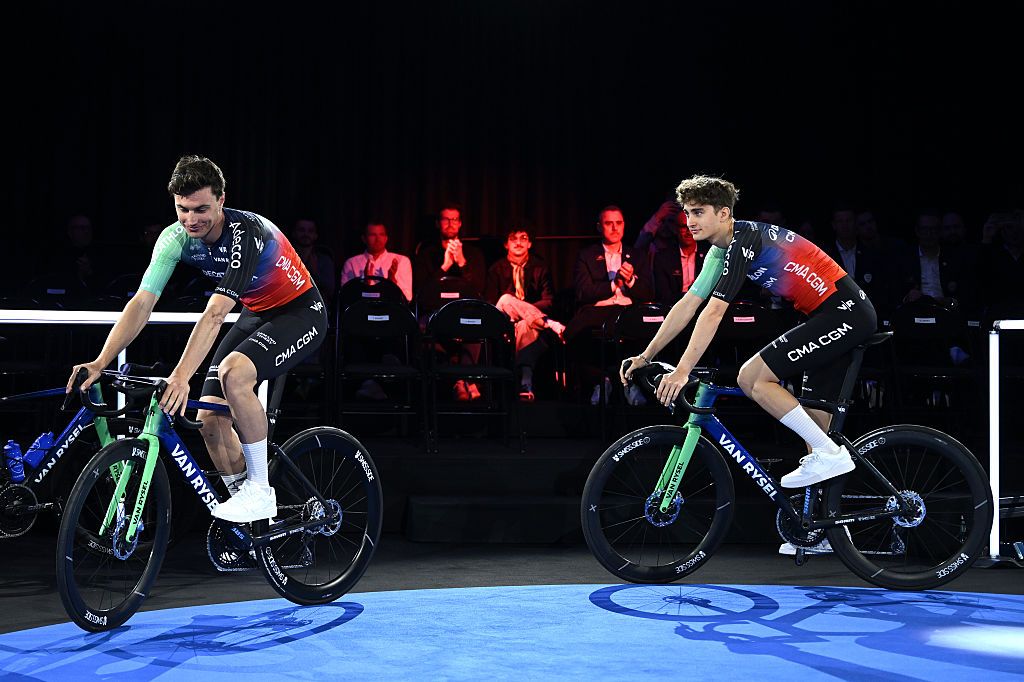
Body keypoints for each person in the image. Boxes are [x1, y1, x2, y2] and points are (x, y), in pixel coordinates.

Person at [66, 155, 328, 524]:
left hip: (300, 311)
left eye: (201, 209)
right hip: (257, 312)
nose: (191, 220)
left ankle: (260, 490)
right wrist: (100, 361)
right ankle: (252, 527)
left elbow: (216, 314)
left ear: (221, 200)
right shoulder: (174, 238)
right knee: (209, 421)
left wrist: (181, 376)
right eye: (183, 209)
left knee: (235, 373)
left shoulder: (246, 232)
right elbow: (142, 303)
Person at [622, 175, 876, 495]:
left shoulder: (745, 239)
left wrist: (683, 371)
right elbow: (688, 305)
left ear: (724, 214)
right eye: (686, 213)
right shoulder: (720, 251)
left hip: (845, 313)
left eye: (698, 212)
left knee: (752, 377)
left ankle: (831, 454)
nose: (689, 222)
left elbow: (714, 313)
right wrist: (646, 355)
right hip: (828, 316)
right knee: (813, 426)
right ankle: (821, 521)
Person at [565, 205, 652, 404]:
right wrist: (615, 284)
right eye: (608, 223)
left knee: (650, 325)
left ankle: (631, 383)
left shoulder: (637, 255)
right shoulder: (586, 255)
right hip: (598, 312)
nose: (614, 228)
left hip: (628, 311)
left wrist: (631, 281)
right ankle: (601, 381)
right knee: (578, 333)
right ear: (599, 227)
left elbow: (649, 293)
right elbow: (583, 292)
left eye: (618, 223)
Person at [413, 204, 486, 401]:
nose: (450, 223)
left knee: (476, 324)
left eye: (454, 219)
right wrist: (444, 266)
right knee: (427, 328)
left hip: (465, 312)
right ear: (438, 223)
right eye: (446, 219)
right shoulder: (426, 254)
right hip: (435, 313)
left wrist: (462, 262)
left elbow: (479, 291)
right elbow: (422, 295)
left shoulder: (474, 254)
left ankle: (461, 380)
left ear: (460, 223)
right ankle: (463, 381)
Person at [484, 225, 565, 400]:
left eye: (524, 238)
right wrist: (517, 308)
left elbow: (549, 301)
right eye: (513, 239)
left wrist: (523, 311)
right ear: (506, 244)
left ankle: (525, 382)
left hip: (529, 325)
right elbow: (490, 304)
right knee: (506, 299)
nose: (519, 243)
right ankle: (548, 323)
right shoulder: (496, 268)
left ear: (530, 244)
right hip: (503, 319)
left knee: (523, 325)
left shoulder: (540, 267)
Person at [340, 222, 413, 302]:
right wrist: (364, 285)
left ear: (386, 238)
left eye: (381, 234)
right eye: (372, 235)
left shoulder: (401, 261)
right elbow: (345, 297)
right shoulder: (351, 263)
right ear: (364, 239)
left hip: (390, 308)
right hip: (361, 309)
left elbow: (407, 298)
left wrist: (392, 283)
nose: (378, 239)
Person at [290, 218, 337, 304]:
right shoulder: (285, 257)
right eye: (301, 230)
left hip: (317, 306)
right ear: (294, 233)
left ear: (315, 235)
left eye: (310, 231)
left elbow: (330, 291)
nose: (306, 234)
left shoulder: (324, 260)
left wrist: (314, 272)